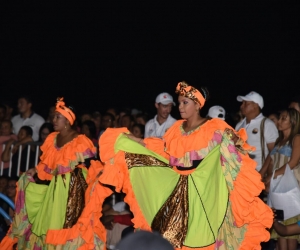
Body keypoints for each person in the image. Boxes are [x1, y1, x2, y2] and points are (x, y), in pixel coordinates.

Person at [98, 81, 273, 250]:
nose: (180, 107)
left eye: (185, 102)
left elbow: (234, 152)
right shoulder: (176, 128)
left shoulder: (214, 127)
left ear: (197, 105)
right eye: (180, 102)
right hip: (175, 190)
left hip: (203, 191)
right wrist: (136, 141)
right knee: (173, 236)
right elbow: (162, 149)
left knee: (202, 234)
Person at [0, 97, 108, 249]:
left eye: (58, 117)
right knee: (48, 223)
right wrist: (35, 170)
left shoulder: (80, 141)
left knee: (66, 227)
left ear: (68, 121)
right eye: (54, 116)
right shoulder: (52, 139)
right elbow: (47, 164)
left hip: (72, 192)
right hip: (55, 190)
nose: (54, 120)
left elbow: (90, 165)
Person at [262, 108, 300, 250]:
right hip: (277, 188)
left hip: (290, 188)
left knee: (290, 234)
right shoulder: (279, 141)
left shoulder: (297, 138)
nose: (279, 121)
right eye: (280, 118)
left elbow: (293, 162)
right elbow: (271, 163)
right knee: (280, 234)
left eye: (284, 118)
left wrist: (271, 176)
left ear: (293, 122)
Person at [235, 91, 278, 173]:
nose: (241, 106)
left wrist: (262, 173)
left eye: (245, 103)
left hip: (259, 174)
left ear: (256, 105)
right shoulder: (239, 125)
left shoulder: (267, 124)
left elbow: (274, 152)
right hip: (241, 174)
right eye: (242, 103)